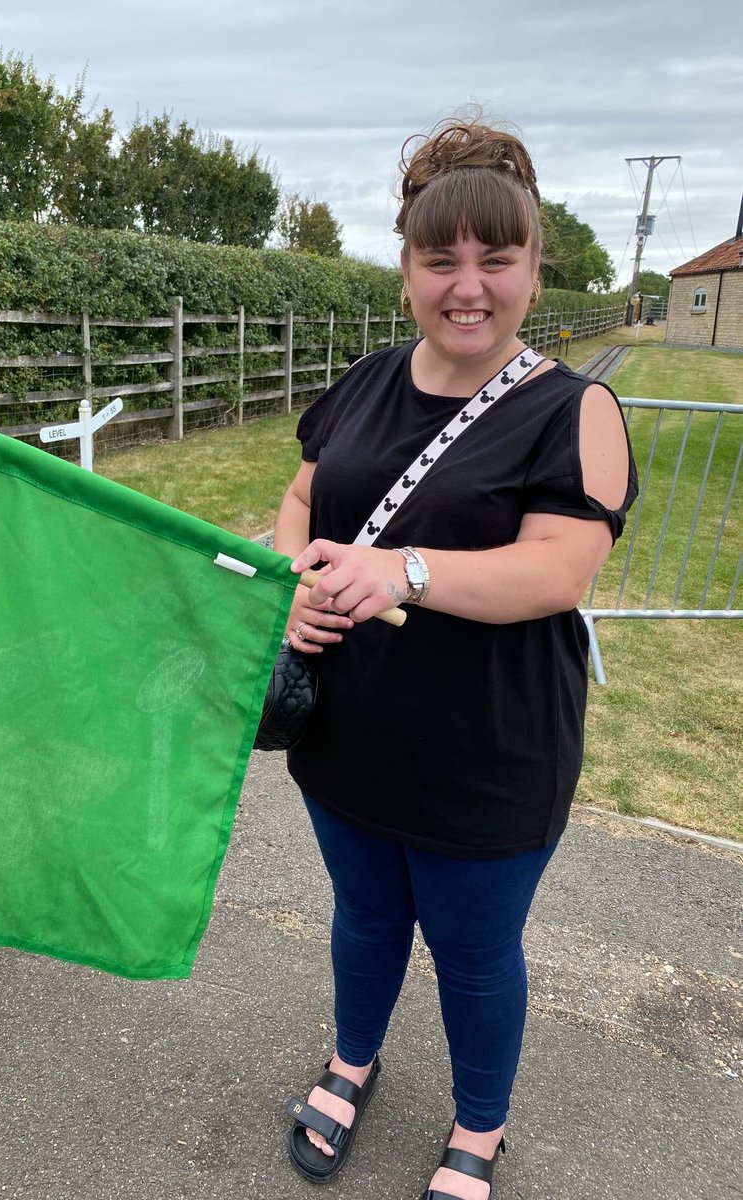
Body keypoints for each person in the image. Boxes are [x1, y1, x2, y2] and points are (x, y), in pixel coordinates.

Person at [272, 112, 638, 1200]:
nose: (467, 286)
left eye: (496, 259)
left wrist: (404, 571)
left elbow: (557, 570)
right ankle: (352, 1062)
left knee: (475, 955)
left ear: (534, 270)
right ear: (407, 271)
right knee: (365, 918)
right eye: (441, 260)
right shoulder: (366, 381)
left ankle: (480, 1125)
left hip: (489, 751)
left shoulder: (575, 409)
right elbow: (302, 499)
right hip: (349, 734)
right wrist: (294, 585)